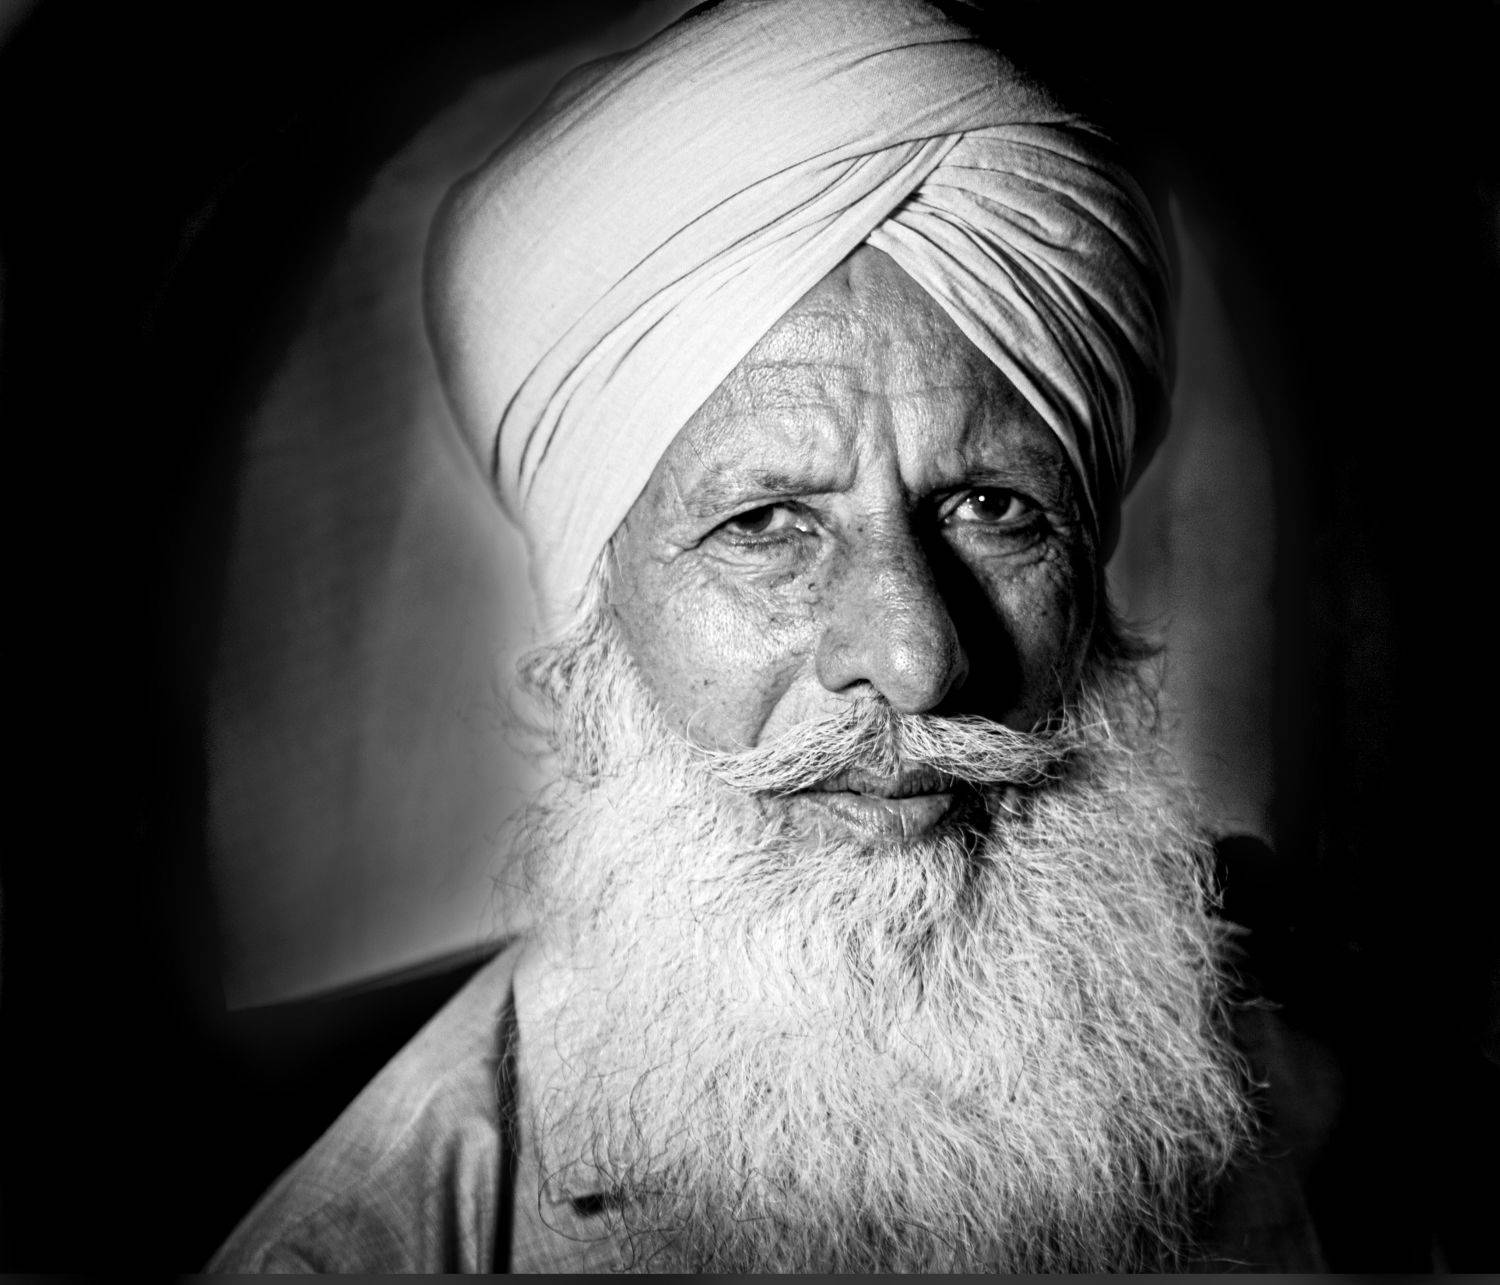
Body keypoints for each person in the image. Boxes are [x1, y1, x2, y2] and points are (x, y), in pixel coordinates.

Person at [209, 0, 1335, 1271]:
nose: (916, 659)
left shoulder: (1366, 1124)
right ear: (594, 630)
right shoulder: (381, 1250)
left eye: (993, 508)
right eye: (764, 524)